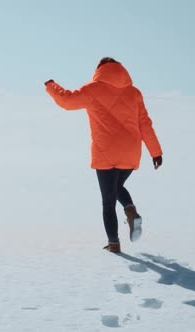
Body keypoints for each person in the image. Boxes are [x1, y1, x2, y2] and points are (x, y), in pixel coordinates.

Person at [44, 57, 163, 254]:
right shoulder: (134, 93)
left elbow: (67, 101)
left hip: (105, 151)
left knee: (108, 200)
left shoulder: (94, 89)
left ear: (100, 69)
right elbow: (145, 124)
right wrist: (156, 152)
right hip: (131, 152)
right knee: (116, 187)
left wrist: (51, 86)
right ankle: (130, 211)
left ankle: (114, 244)